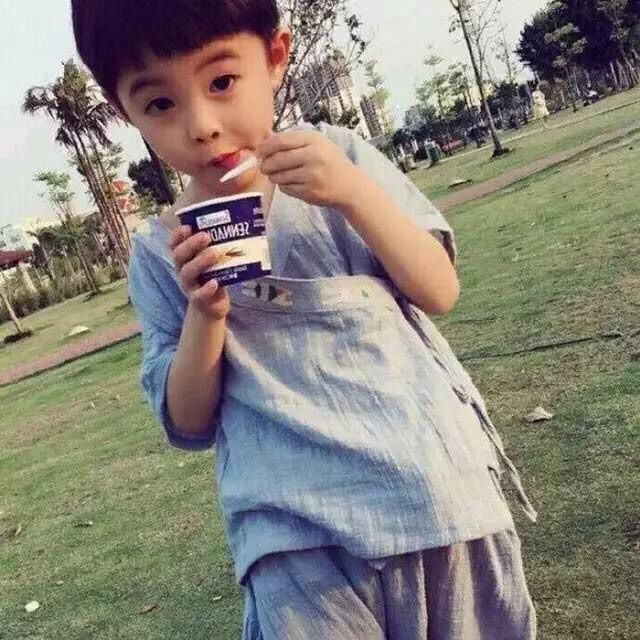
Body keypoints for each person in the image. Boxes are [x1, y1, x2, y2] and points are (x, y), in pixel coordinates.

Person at [71, 1, 538, 638]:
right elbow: (187, 421)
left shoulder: (339, 158)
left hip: (434, 498)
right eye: (160, 104)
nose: (201, 126)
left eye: (221, 81)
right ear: (125, 110)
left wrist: (352, 193)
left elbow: (439, 289)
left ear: (274, 56)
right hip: (293, 539)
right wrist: (206, 314)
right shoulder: (160, 253)